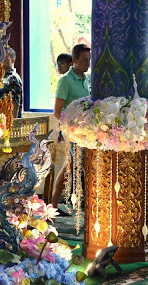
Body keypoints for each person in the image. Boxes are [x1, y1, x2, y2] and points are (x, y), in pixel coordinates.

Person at [51, 44, 91, 214]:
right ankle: (90, 207)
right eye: (84, 60)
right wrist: (70, 130)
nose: (87, 64)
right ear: (74, 60)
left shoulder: (86, 79)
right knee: (82, 167)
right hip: (73, 133)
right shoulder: (65, 81)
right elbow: (57, 112)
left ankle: (52, 205)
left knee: (69, 167)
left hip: (86, 132)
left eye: (89, 60)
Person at [0, 46, 23, 118]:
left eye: (5, 56)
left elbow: (14, 104)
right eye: (1, 55)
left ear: (13, 60)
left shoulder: (13, 78)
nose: (2, 59)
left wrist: (10, 124)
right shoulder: (4, 77)